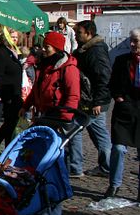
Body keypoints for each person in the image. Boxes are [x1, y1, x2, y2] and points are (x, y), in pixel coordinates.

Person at [21, 32, 81, 179]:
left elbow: (73, 96)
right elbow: (37, 89)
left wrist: (65, 120)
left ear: (56, 48)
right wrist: (26, 105)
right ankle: (44, 179)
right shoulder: (44, 66)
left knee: (57, 152)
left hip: (58, 116)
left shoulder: (68, 68)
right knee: (43, 149)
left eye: (47, 46)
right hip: (44, 115)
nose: (43, 49)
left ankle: (60, 182)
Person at [71, 20, 112, 178]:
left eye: (78, 33)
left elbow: (104, 78)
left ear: (88, 33)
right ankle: (106, 166)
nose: (75, 35)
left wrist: (99, 102)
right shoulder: (85, 50)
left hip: (92, 102)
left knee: (75, 130)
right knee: (98, 133)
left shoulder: (96, 51)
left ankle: (76, 167)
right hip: (89, 100)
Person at [105, 28, 140, 200]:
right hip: (124, 110)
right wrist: (118, 97)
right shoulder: (121, 60)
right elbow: (112, 83)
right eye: (131, 40)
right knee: (118, 148)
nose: (133, 44)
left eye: (136, 41)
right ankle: (114, 185)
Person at [0, 28, 24, 146]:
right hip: (7, 95)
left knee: (11, 124)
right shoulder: (2, 52)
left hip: (15, 93)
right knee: (9, 124)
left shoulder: (13, 51)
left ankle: (2, 147)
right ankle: (1, 147)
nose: (15, 39)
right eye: (12, 37)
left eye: (16, 37)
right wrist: (0, 94)